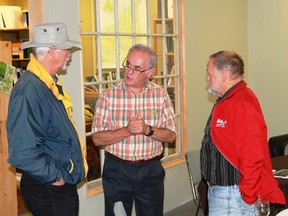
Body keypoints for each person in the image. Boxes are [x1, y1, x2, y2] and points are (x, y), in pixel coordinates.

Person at [6, 22, 88, 216]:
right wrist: (56, 178)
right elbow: (22, 152)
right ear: (51, 51)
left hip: (54, 185)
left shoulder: (45, 83)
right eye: (66, 49)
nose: (69, 54)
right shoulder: (30, 89)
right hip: (49, 187)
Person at [92, 44, 176, 216]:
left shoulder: (161, 95)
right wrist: (127, 131)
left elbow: (171, 136)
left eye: (137, 68)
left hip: (150, 170)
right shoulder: (108, 96)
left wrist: (148, 130)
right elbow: (97, 138)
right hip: (117, 171)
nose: (129, 71)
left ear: (150, 72)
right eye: (128, 65)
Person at [200, 50, 286, 215]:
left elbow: (252, 156)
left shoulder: (241, 103)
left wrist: (247, 195)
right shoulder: (229, 100)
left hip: (233, 196)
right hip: (225, 193)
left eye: (209, 74)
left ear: (223, 74)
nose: (207, 78)